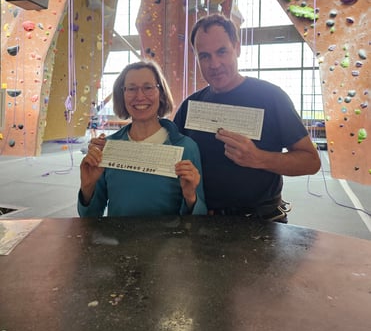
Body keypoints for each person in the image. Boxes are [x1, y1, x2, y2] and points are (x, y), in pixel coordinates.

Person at [173, 13, 321, 222]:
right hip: (205, 223)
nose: (214, 64)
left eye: (222, 51)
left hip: (262, 222)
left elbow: (311, 161)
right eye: (204, 56)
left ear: (237, 48)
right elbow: (168, 154)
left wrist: (259, 158)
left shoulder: (270, 97)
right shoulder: (191, 106)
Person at [78, 60, 207, 217]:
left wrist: (190, 196)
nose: (139, 96)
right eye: (131, 89)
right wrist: (87, 187)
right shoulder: (108, 148)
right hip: (120, 240)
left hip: (169, 240)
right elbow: (89, 218)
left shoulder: (186, 148)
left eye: (148, 88)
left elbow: (199, 219)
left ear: (161, 93)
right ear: (122, 95)